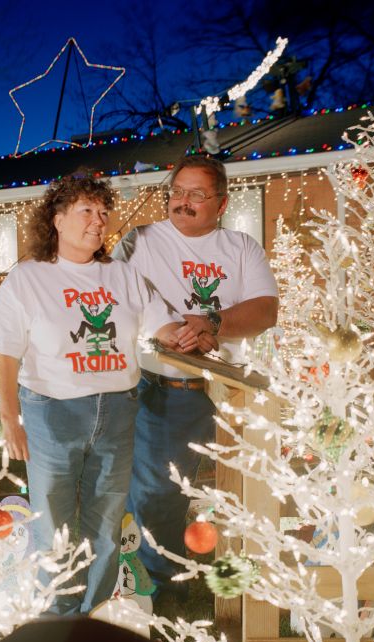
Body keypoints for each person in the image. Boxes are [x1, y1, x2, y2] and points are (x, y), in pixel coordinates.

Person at [0, 175, 180, 615]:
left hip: (118, 413)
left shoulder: (123, 275)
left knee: (105, 523)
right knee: (53, 524)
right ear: (58, 218)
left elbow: (164, 326)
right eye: (87, 211)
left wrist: (196, 332)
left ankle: (94, 615)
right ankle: (57, 618)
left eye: (103, 213)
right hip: (52, 415)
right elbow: (5, 354)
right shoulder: (28, 278)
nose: (98, 221)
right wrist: (10, 419)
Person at [112, 154, 279, 592]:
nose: (183, 202)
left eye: (197, 195)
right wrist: (168, 331)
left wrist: (212, 323)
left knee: (240, 493)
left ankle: (241, 581)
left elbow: (265, 309)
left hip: (230, 388)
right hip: (164, 386)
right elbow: (115, 295)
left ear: (221, 204)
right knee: (156, 491)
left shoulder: (242, 248)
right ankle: (156, 584)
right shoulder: (140, 241)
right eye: (177, 192)